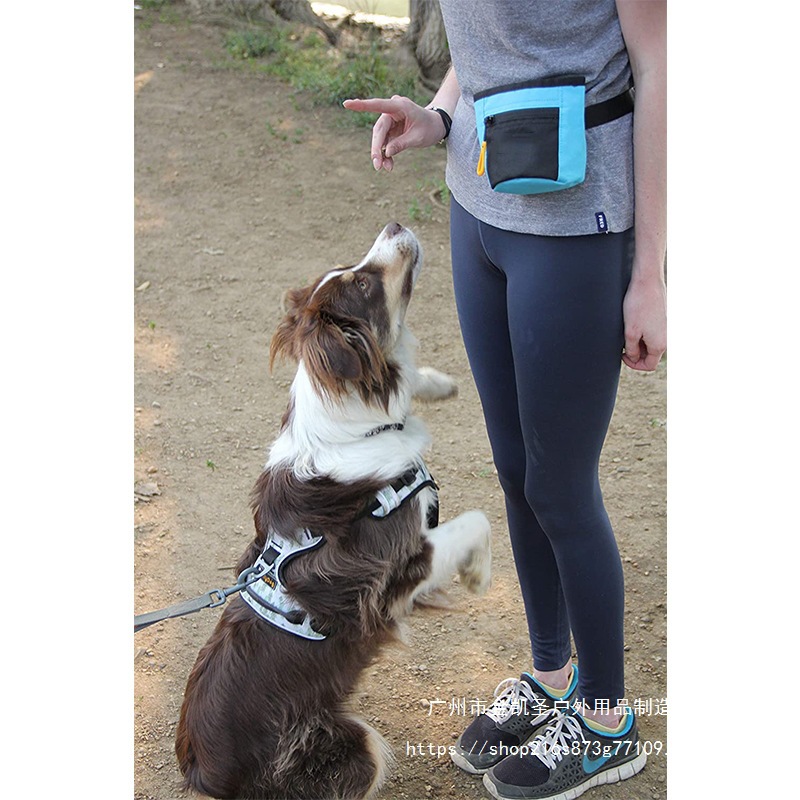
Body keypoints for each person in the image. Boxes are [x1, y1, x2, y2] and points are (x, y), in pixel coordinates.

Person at [344, 1, 665, 798]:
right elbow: (489, 40)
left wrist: (651, 273)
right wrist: (440, 113)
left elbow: (659, 65)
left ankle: (607, 723)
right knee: (517, 470)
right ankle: (553, 677)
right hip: (479, 202)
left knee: (561, 486)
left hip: (576, 218)